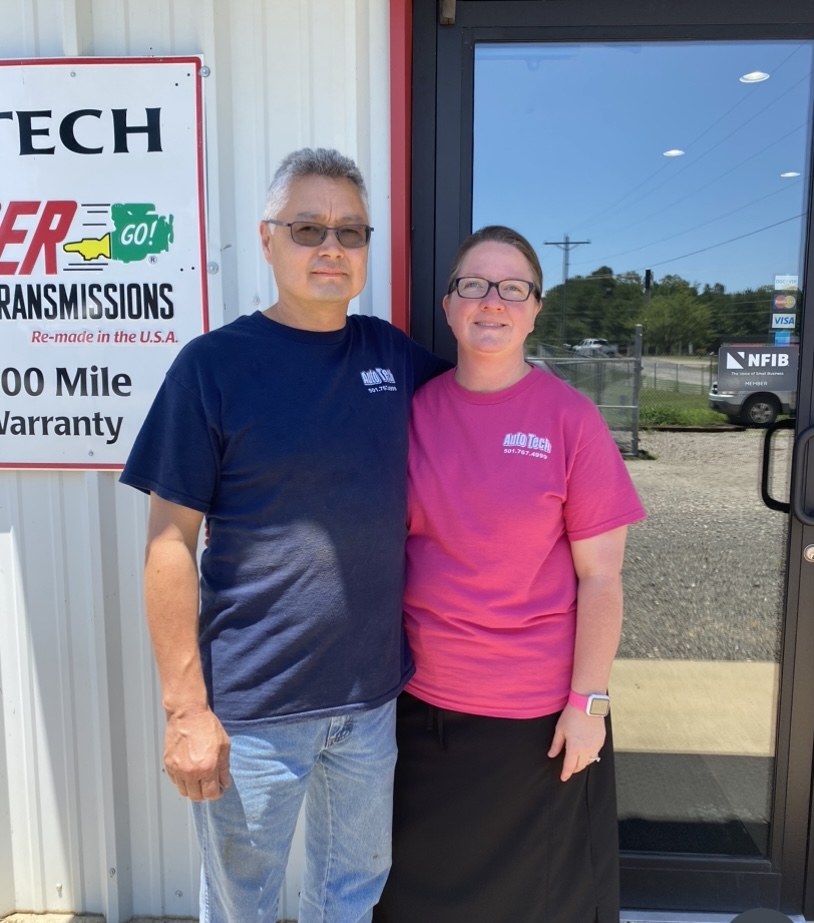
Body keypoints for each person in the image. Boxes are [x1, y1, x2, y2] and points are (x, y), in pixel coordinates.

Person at [120, 147, 449, 923]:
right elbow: (169, 542)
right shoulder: (213, 367)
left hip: (368, 703)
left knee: (350, 896)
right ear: (268, 240)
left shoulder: (390, 355)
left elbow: (483, 401)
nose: (331, 246)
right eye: (308, 228)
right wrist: (186, 711)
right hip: (255, 710)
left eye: (350, 230)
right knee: (245, 906)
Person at [374, 226, 646, 923]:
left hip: (538, 725)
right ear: (448, 305)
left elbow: (602, 578)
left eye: (513, 288)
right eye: (474, 284)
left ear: (534, 310)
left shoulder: (570, 420)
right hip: (422, 715)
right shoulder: (412, 414)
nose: (492, 301)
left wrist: (589, 705)